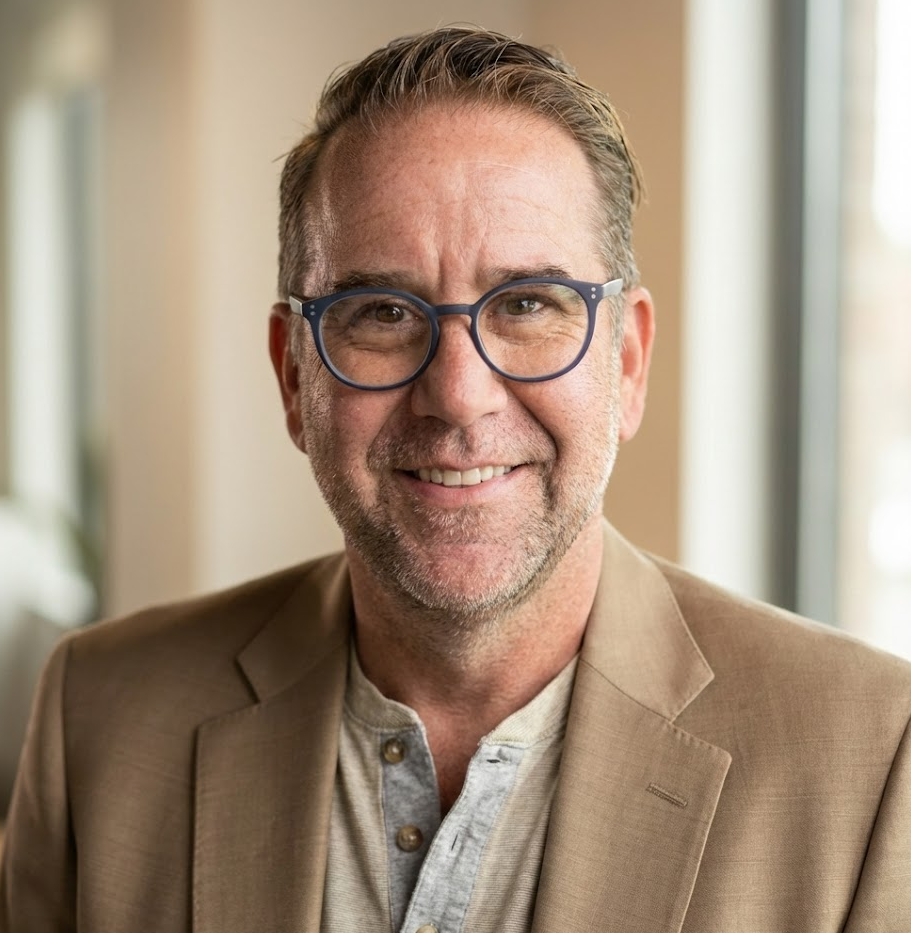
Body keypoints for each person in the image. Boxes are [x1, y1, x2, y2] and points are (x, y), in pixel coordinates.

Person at [2, 26, 910, 933]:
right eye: (383, 313)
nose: (457, 396)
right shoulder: (103, 716)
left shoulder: (869, 759)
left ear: (626, 363)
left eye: (525, 305)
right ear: (293, 376)